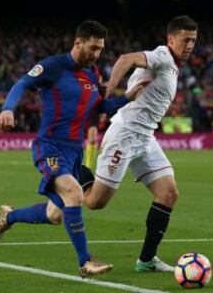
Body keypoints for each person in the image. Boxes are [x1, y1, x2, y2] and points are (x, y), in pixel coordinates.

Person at [0, 20, 146, 278]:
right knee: (75, 194)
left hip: (74, 151)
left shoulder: (92, 74)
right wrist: (8, 108)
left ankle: (10, 217)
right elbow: (22, 83)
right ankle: (85, 263)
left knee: (54, 215)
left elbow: (100, 109)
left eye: (100, 49)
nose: (97, 54)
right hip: (49, 146)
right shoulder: (54, 66)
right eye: (93, 48)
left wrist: (127, 97)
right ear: (78, 43)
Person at [82, 15, 198, 272]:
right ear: (171, 39)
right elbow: (126, 58)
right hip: (124, 135)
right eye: (185, 39)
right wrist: (109, 90)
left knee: (168, 194)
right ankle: (69, 172)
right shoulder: (163, 56)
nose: (189, 45)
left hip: (145, 138)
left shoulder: (174, 64)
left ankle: (146, 260)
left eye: (193, 41)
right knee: (94, 202)